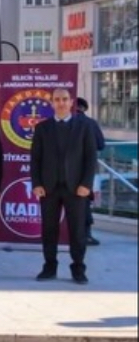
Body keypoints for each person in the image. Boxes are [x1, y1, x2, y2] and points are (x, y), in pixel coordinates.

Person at [31, 88, 98, 284]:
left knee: (77, 231)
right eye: (57, 99)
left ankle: (78, 269)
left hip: (76, 188)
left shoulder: (84, 126)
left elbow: (90, 158)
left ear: (71, 103)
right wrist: (36, 184)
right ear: (52, 103)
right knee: (49, 229)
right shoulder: (42, 128)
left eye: (64, 99)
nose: (61, 103)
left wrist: (86, 184)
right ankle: (49, 267)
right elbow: (35, 159)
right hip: (49, 188)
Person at [75, 97, 106, 246]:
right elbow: (101, 145)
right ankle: (85, 235)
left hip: (62, 170)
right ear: (83, 108)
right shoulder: (90, 123)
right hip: (85, 170)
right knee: (84, 202)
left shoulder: (60, 122)